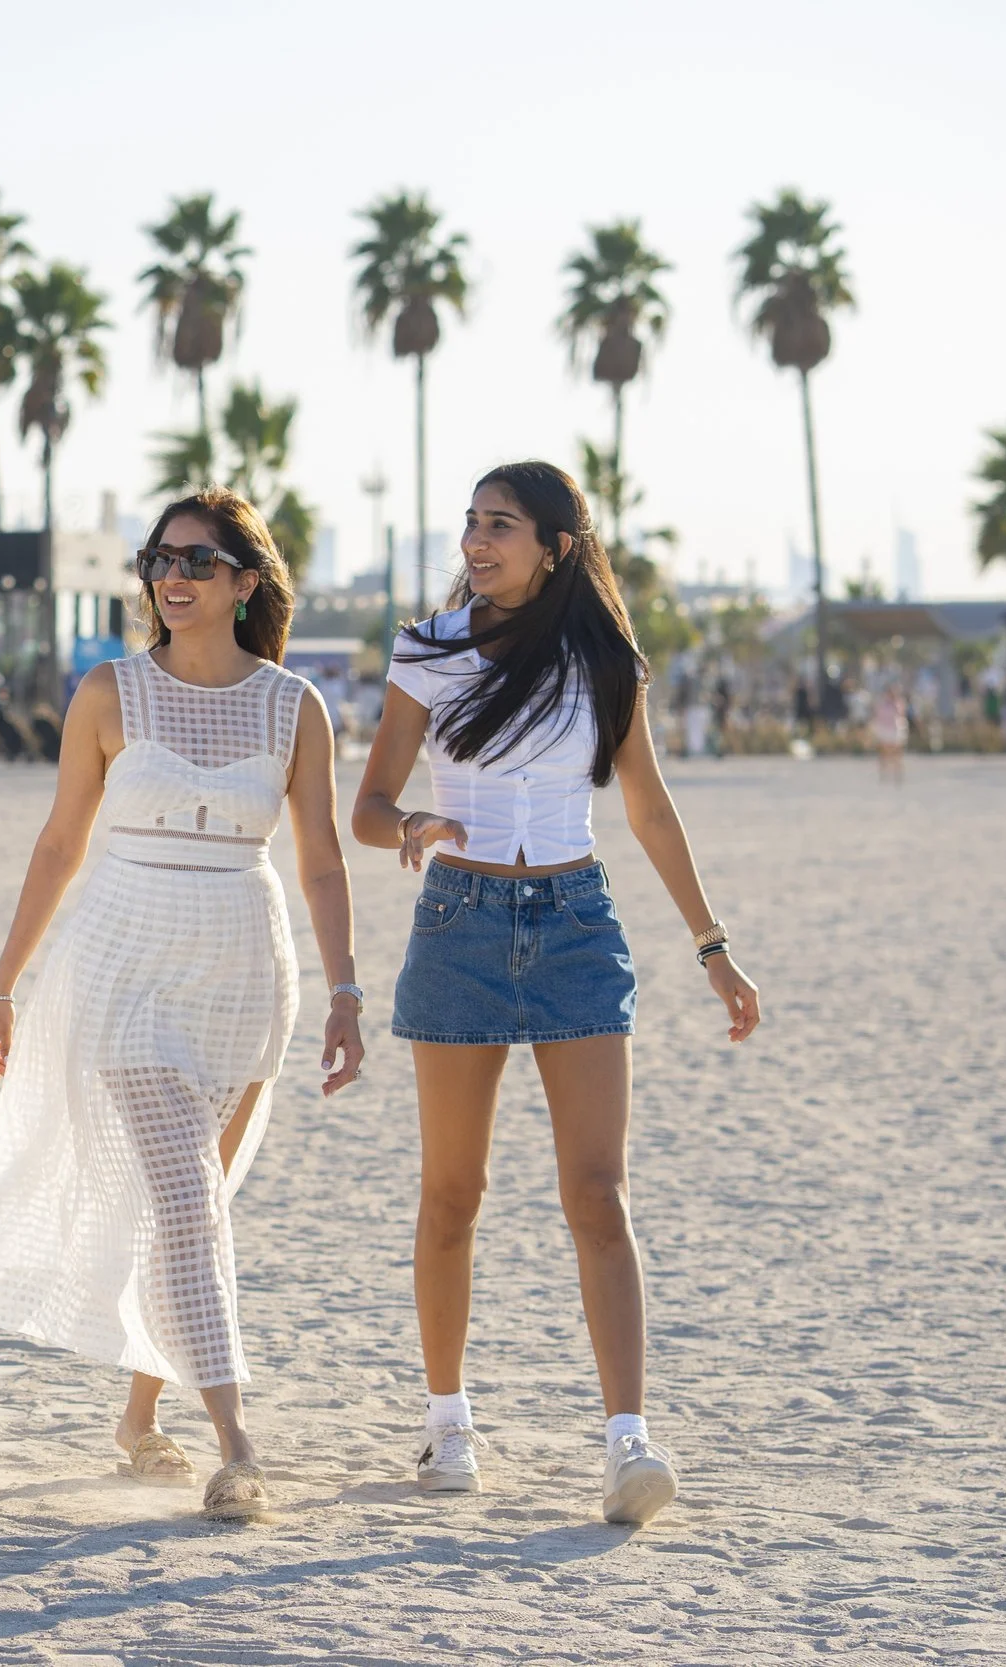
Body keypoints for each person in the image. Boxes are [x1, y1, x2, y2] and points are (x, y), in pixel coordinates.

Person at [350, 461, 762, 1527]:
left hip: (578, 924)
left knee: (597, 1193)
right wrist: (412, 827)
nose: (477, 541)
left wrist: (711, 946)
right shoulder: (428, 650)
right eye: (471, 523)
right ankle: (449, 1422)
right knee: (453, 1191)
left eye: (501, 525)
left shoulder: (605, 659)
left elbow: (651, 808)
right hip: (459, 925)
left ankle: (628, 1440)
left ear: (556, 545)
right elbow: (368, 802)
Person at [0, 488, 366, 1523]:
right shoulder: (109, 692)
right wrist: (3, 982)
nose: (169, 575)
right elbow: (59, 842)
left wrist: (347, 988)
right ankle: (238, 1444)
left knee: (194, 1210)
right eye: (157, 557)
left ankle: (139, 1419)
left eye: (194, 558)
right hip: (122, 958)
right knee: (186, 1199)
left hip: (242, 967)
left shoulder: (292, 705)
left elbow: (319, 860)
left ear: (244, 579)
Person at [870, 682, 908, 782]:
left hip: (895, 729)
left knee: (896, 753)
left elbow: (900, 714)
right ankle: (884, 774)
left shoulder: (898, 703)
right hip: (884, 729)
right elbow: (877, 716)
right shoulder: (881, 704)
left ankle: (897, 773)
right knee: (884, 753)